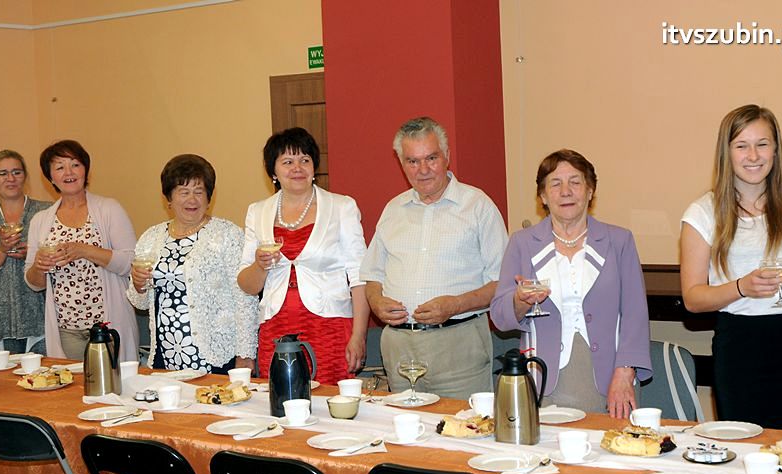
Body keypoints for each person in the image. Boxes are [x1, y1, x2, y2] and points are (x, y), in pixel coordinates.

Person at [681, 104, 782, 432]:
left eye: (763, 144)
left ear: (776, 150)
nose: (753, 155)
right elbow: (692, 298)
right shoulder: (702, 213)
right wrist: (741, 287)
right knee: (745, 453)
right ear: (726, 152)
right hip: (741, 348)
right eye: (741, 145)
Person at [490, 149, 651, 418]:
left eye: (575, 182)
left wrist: (624, 374)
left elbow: (636, 314)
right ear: (542, 195)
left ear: (590, 191)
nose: (566, 191)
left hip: (610, 379)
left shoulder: (619, 241)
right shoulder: (522, 243)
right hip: (542, 377)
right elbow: (499, 316)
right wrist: (519, 301)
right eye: (555, 183)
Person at [360, 116, 508, 400]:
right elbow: (373, 275)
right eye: (412, 161)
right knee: (405, 436)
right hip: (399, 350)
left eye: (431, 158)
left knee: (464, 431)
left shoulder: (478, 207)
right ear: (401, 163)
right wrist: (377, 302)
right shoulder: (393, 210)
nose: (423, 170)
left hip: (458, 346)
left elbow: (501, 282)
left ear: (447, 156)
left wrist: (455, 305)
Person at [237, 127, 368, 384]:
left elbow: (360, 276)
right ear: (273, 172)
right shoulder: (258, 211)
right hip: (276, 327)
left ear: (314, 167)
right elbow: (246, 284)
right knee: (281, 404)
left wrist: (359, 335)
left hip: (329, 326)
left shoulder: (342, 206)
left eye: (304, 160)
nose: (297, 167)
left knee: (329, 408)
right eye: (287, 162)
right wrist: (260, 266)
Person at [127, 154, 257, 374]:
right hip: (165, 352)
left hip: (216, 355)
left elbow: (245, 298)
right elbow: (140, 302)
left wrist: (245, 355)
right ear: (169, 198)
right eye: (183, 192)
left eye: (199, 192)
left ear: (209, 197)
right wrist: (139, 285)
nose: (192, 200)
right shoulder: (151, 237)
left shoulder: (227, 234)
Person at [24, 140, 139, 361]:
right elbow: (34, 283)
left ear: (86, 170)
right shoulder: (41, 220)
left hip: (108, 326)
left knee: (112, 389)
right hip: (66, 329)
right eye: (59, 167)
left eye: (75, 164)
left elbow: (130, 263)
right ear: (50, 178)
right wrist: (39, 266)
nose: (68, 172)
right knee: (73, 392)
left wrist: (84, 250)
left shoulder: (109, 209)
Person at [0, 150, 51, 354]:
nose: (10, 178)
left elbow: (66, 264)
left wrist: (32, 255)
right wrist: (0, 251)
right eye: (2, 173)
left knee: (47, 379)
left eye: (16, 172)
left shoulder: (48, 213)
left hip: (41, 317)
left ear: (25, 177)